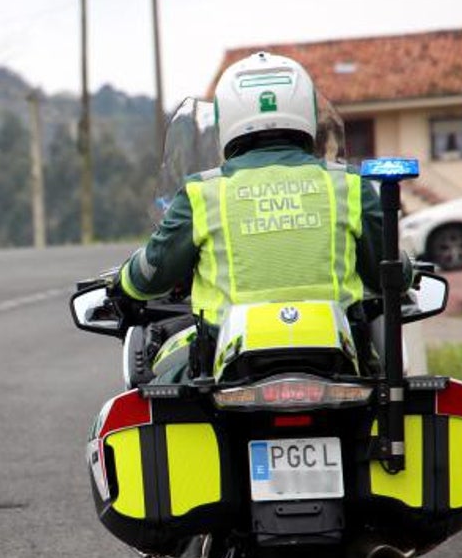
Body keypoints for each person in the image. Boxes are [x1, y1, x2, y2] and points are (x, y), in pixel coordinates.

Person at [111, 52, 395, 382]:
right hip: (340, 360)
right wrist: (406, 273)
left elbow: (152, 275)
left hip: (226, 365)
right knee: (386, 381)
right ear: (308, 112)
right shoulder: (348, 185)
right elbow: (385, 273)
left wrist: (122, 282)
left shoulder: (203, 192)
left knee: (154, 392)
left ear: (225, 118)